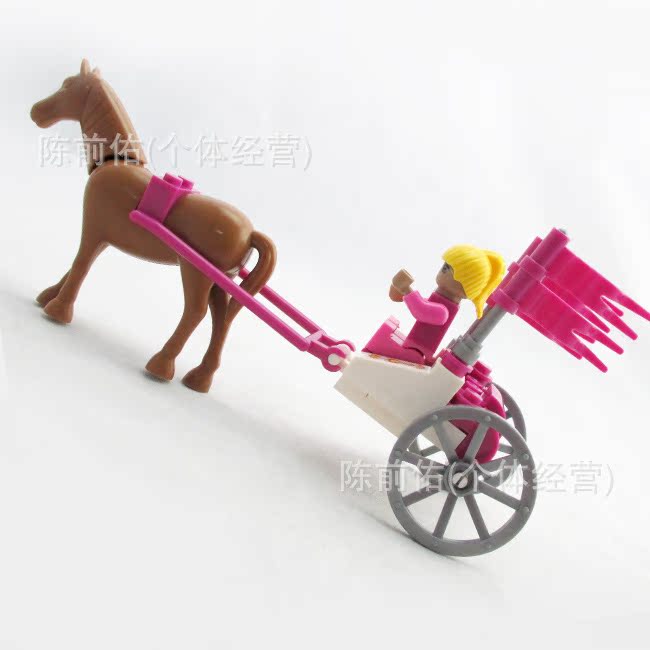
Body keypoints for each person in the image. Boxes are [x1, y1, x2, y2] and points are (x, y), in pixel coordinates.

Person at [363, 245, 506, 365]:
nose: (443, 270)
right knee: (388, 328)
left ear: (466, 286)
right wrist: (400, 292)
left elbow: (421, 311)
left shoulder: (444, 312)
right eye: (445, 266)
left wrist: (406, 289)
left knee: (384, 333)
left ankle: (360, 365)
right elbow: (419, 304)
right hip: (411, 348)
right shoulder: (439, 302)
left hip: (415, 353)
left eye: (448, 268)